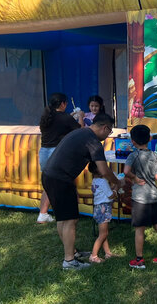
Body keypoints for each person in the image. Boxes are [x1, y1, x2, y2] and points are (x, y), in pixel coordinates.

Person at [42, 113, 123, 270]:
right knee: (69, 221)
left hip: (49, 175)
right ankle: (69, 261)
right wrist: (117, 182)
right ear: (105, 127)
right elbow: (104, 170)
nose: (108, 135)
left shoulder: (80, 132)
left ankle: (72, 252)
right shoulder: (93, 142)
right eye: (109, 132)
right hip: (61, 180)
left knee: (63, 219)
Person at [124, 124, 157, 269]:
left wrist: (135, 178)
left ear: (132, 141)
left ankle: (139, 260)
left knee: (140, 229)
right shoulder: (156, 155)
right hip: (153, 196)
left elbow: (126, 171)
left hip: (140, 198)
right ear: (150, 139)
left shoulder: (133, 155)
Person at [37, 93, 84, 224]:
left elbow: (60, 122)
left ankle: (43, 213)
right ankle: (69, 213)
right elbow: (80, 130)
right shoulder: (64, 118)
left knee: (48, 184)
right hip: (57, 153)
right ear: (63, 104)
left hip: (44, 152)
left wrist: (71, 116)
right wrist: (80, 117)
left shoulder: (47, 116)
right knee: (65, 183)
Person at [87, 163, 119, 263]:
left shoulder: (95, 181)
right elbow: (110, 196)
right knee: (103, 234)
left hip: (98, 208)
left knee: (103, 233)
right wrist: (117, 186)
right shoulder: (102, 182)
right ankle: (93, 256)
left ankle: (108, 253)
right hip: (103, 209)